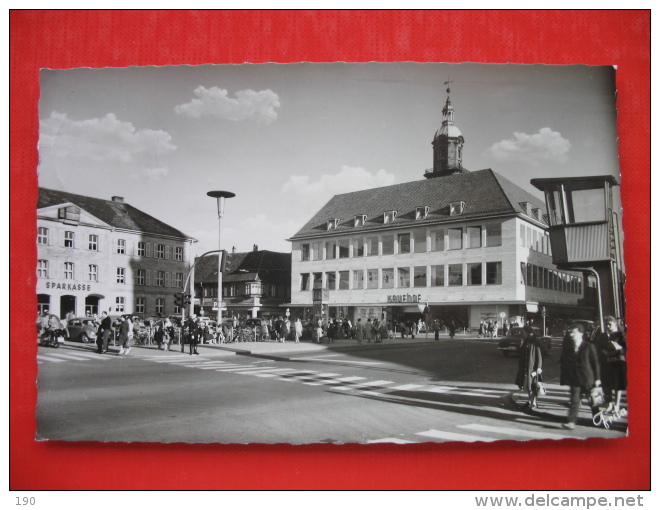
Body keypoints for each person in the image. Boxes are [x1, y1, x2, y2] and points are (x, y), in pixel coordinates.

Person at [560, 323, 602, 429]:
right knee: (574, 401)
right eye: (570, 333)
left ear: (581, 333)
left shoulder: (588, 346)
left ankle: (599, 421)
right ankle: (571, 422)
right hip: (575, 379)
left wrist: (597, 379)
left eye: (573, 333)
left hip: (588, 379)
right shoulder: (569, 347)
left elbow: (595, 363)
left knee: (593, 402)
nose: (571, 335)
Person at [597, 316, 627, 413]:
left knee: (617, 385)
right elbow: (598, 348)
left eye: (610, 324)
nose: (608, 326)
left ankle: (617, 405)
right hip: (605, 362)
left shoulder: (620, 335)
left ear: (615, 324)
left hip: (617, 362)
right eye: (606, 325)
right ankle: (609, 404)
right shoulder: (602, 335)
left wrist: (617, 348)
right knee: (606, 384)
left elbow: (625, 349)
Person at [515, 326, 543, 408]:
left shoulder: (536, 342)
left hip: (532, 368)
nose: (523, 334)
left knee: (532, 386)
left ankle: (533, 402)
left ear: (529, 332)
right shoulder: (525, 341)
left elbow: (540, 355)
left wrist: (539, 367)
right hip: (525, 367)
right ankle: (530, 401)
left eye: (524, 332)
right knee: (527, 386)